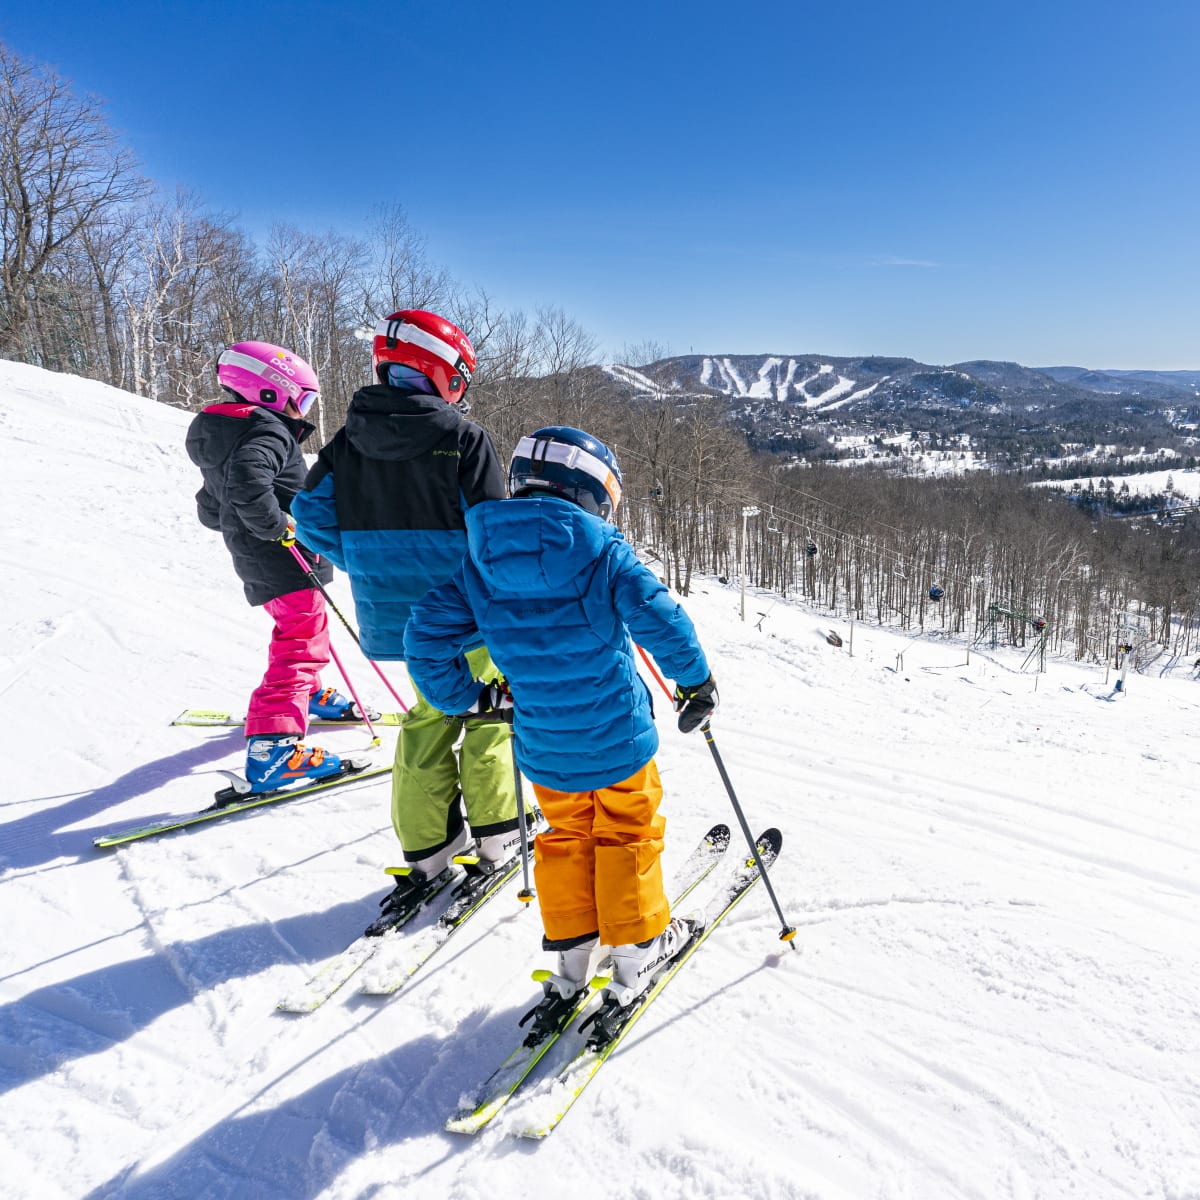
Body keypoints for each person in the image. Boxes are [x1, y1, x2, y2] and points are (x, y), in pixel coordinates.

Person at [403, 426, 719, 1003]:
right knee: (627, 832)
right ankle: (639, 947)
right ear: (594, 494)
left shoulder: (482, 560)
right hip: (619, 738)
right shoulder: (602, 552)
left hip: (544, 747)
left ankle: (572, 953)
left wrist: (469, 698)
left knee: (567, 835)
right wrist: (696, 682)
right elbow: (662, 619)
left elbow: (423, 635)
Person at [290, 309, 523, 935]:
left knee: (424, 721)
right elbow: (494, 532)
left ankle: (427, 852)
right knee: (488, 719)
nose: (461, 391)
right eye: (460, 377)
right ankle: (499, 839)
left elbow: (308, 517)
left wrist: (364, 561)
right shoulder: (464, 439)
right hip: (464, 614)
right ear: (441, 372)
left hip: (391, 617)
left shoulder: (345, 441)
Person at [186, 341, 362, 793]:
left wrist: (252, 521)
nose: (304, 411)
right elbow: (247, 482)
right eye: (301, 400)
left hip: (258, 557)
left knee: (301, 631)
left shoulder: (226, 430)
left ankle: (306, 693)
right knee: (301, 640)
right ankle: (274, 747)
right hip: (283, 556)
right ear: (268, 393)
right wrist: (278, 524)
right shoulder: (267, 431)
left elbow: (212, 504)